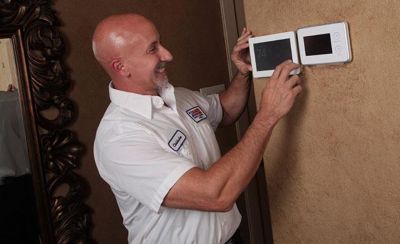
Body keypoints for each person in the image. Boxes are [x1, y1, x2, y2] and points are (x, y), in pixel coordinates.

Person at [92, 13, 302, 244]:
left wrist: (243, 73)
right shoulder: (119, 139)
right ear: (121, 67)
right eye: (153, 49)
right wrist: (268, 115)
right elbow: (215, 195)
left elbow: (225, 110)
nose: (167, 54)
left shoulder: (177, 96)